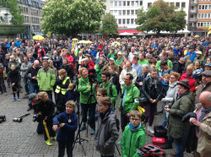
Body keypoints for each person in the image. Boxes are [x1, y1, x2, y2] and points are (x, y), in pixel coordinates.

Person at [165, 80, 194, 157]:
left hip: (180, 126)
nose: (178, 90)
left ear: (185, 89)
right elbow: (177, 104)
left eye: (180, 88)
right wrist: (170, 106)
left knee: (179, 145)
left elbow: (183, 112)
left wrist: (170, 110)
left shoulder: (185, 99)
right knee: (178, 144)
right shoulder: (182, 96)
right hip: (177, 125)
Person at [189, 91, 211, 157]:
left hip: (206, 146)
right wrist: (192, 118)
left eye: (204, 103)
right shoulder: (200, 106)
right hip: (196, 140)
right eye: (201, 102)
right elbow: (195, 115)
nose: (202, 105)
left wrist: (199, 124)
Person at [142, 68, 163, 134]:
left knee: (152, 114)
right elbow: (143, 90)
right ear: (150, 73)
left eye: (155, 74)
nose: (154, 75)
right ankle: (144, 124)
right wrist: (149, 98)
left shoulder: (159, 80)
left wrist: (156, 100)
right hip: (148, 99)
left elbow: (161, 91)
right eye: (153, 74)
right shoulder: (146, 79)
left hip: (154, 100)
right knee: (147, 114)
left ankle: (150, 126)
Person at [77, 67, 96, 134]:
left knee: (92, 116)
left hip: (92, 100)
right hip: (83, 100)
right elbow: (79, 89)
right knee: (84, 114)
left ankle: (93, 128)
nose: (85, 73)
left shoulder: (90, 78)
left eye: (86, 71)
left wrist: (85, 90)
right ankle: (84, 124)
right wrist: (87, 88)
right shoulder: (80, 80)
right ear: (81, 73)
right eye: (84, 72)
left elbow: (93, 87)